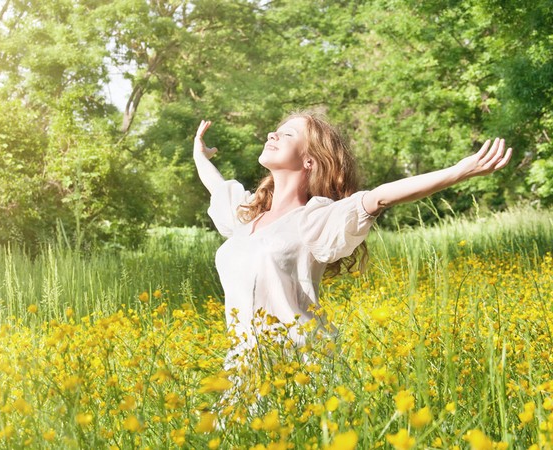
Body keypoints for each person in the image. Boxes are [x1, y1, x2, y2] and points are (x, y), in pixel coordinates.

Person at [193, 112, 513, 371]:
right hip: (244, 368)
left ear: (310, 161)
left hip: (300, 366)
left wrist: (458, 172)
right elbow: (217, 187)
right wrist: (200, 154)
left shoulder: (316, 219)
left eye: (288, 134)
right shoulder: (247, 217)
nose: (272, 136)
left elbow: (379, 197)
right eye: (275, 132)